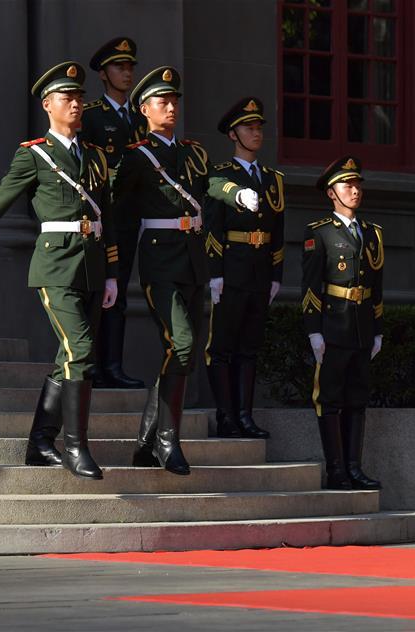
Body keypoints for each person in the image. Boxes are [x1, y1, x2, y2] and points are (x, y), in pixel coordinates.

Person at [0, 61, 117, 480]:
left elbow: (106, 215)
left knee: (69, 357)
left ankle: (40, 442)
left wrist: (112, 271)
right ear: (47, 105)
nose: (75, 104)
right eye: (66, 97)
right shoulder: (34, 154)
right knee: (80, 349)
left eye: (79, 97)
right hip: (56, 265)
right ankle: (75, 447)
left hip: (92, 265)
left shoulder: (94, 156)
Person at [113, 65, 260, 475]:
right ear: (145, 109)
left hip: (194, 260)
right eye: (162, 101)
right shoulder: (136, 157)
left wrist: (236, 193)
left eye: (174, 101)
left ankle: (146, 442)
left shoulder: (193, 152)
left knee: (183, 352)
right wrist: (112, 266)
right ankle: (167, 440)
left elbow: (211, 182)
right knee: (180, 344)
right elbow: (116, 208)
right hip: (159, 262)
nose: (171, 107)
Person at [300, 156, 383, 490]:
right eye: (347, 185)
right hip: (334, 325)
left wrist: (377, 330)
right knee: (331, 398)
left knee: (357, 399)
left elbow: (378, 287)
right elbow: (310, 286)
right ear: (331, 192)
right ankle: (336, 470)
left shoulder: (372, 233)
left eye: (357, 184)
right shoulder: (319, 232)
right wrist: (314, 330)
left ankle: (354, 468)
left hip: (362, 327)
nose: (355, 190)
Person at [203, 97, 284, 440]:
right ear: (233, 134)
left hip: (259, 272)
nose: (256, 133)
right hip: (232, 268)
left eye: (259, 127)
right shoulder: (221, 175)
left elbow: (278, 230)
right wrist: (215, 272)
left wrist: (276, 275)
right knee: (222, 346)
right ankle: (226, 417)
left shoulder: (273, 179)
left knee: (249, 348)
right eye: (249, 128)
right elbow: (212, 228)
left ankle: (245, 417)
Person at [81, 36, 147, 389]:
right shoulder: (91, 115)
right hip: (98, 217)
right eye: (119, 67)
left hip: (128, 219)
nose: (127, 73)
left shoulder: (140, 120)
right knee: (94, 290)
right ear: (103, 74)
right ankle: (89, 364)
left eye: (130, 67)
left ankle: (113, 365)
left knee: (117, 291)